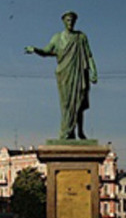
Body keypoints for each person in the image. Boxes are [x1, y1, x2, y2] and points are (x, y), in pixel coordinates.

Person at [25, 11, 97, 140]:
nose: (70, 22)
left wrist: (93, 70)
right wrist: (35, 49)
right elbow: (47, 51)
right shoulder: (57, 37)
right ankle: (67, 132)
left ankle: (80, 131)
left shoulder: (81, 37)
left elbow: (89, 55)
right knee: (66, 104)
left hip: (79, 73)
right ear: (63, 21)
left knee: (79, 102)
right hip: (64, 74)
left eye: (72, 20)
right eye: (68, 20)